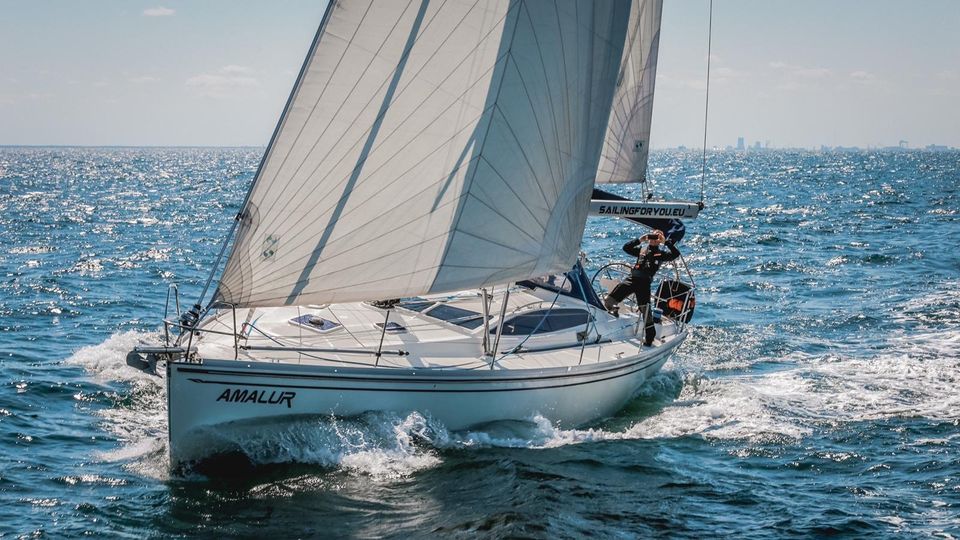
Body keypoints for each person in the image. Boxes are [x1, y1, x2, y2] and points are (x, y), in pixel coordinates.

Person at [603, 229, 681, 346]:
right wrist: (640, 239)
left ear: (659, 240)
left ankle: (650, 337)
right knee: (609, 301)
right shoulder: (642, 250)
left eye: (656, 237)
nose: (653, 239)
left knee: (645, 311)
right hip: (631, 280)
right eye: (652, 236)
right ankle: (614, 311)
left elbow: (675, 254)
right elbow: (626, 248)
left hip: (644, 284)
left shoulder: (661, 254)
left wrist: (666, 242)